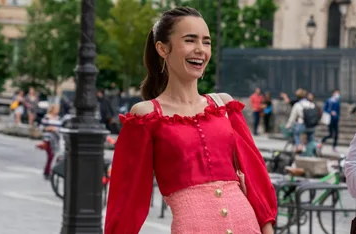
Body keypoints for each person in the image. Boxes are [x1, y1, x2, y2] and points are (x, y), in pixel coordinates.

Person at [105, 7, 277, 234]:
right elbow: (127, 196)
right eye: (190, 40)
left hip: (247, 226)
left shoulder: (224, 106)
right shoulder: (145, 116)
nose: (200, 50)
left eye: (206, 42)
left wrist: (267, 228)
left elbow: (255, 176)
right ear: (162, 48)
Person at [36, 104, 61, 179]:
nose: (57, 111)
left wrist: (56, 129)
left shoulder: (58, 118)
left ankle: (48, 171)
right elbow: (41, 127)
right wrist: (49, 128)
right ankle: (47, 172)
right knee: (50, 155)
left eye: (58, 109)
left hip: (55, 139)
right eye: (56, 109)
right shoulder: (47, 117)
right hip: (48, 139)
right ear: (52, 109)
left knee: (53, 156)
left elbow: (60, 128)